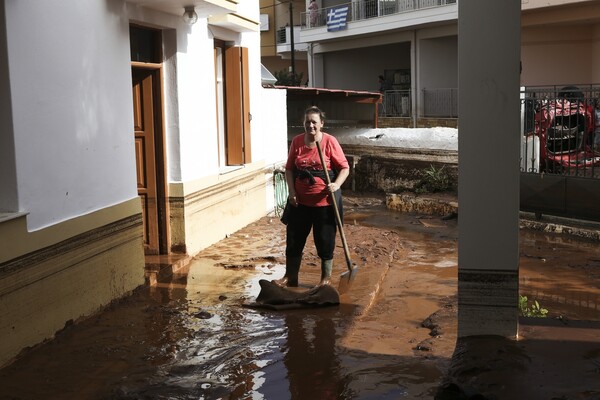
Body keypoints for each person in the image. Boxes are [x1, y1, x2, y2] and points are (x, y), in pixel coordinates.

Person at [274, 106, 350, 288]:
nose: (310, 125)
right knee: (294, 240)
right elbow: (290, 168)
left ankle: (325, 280)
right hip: (299, 203)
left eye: (314, 122)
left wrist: (336, 184)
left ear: (321, 124)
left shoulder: (330, 142)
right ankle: (290, 277)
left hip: (324, 203)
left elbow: (344, 168)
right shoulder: (298, 142)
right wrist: (292, 192)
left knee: (325, 241)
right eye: (307, 122)